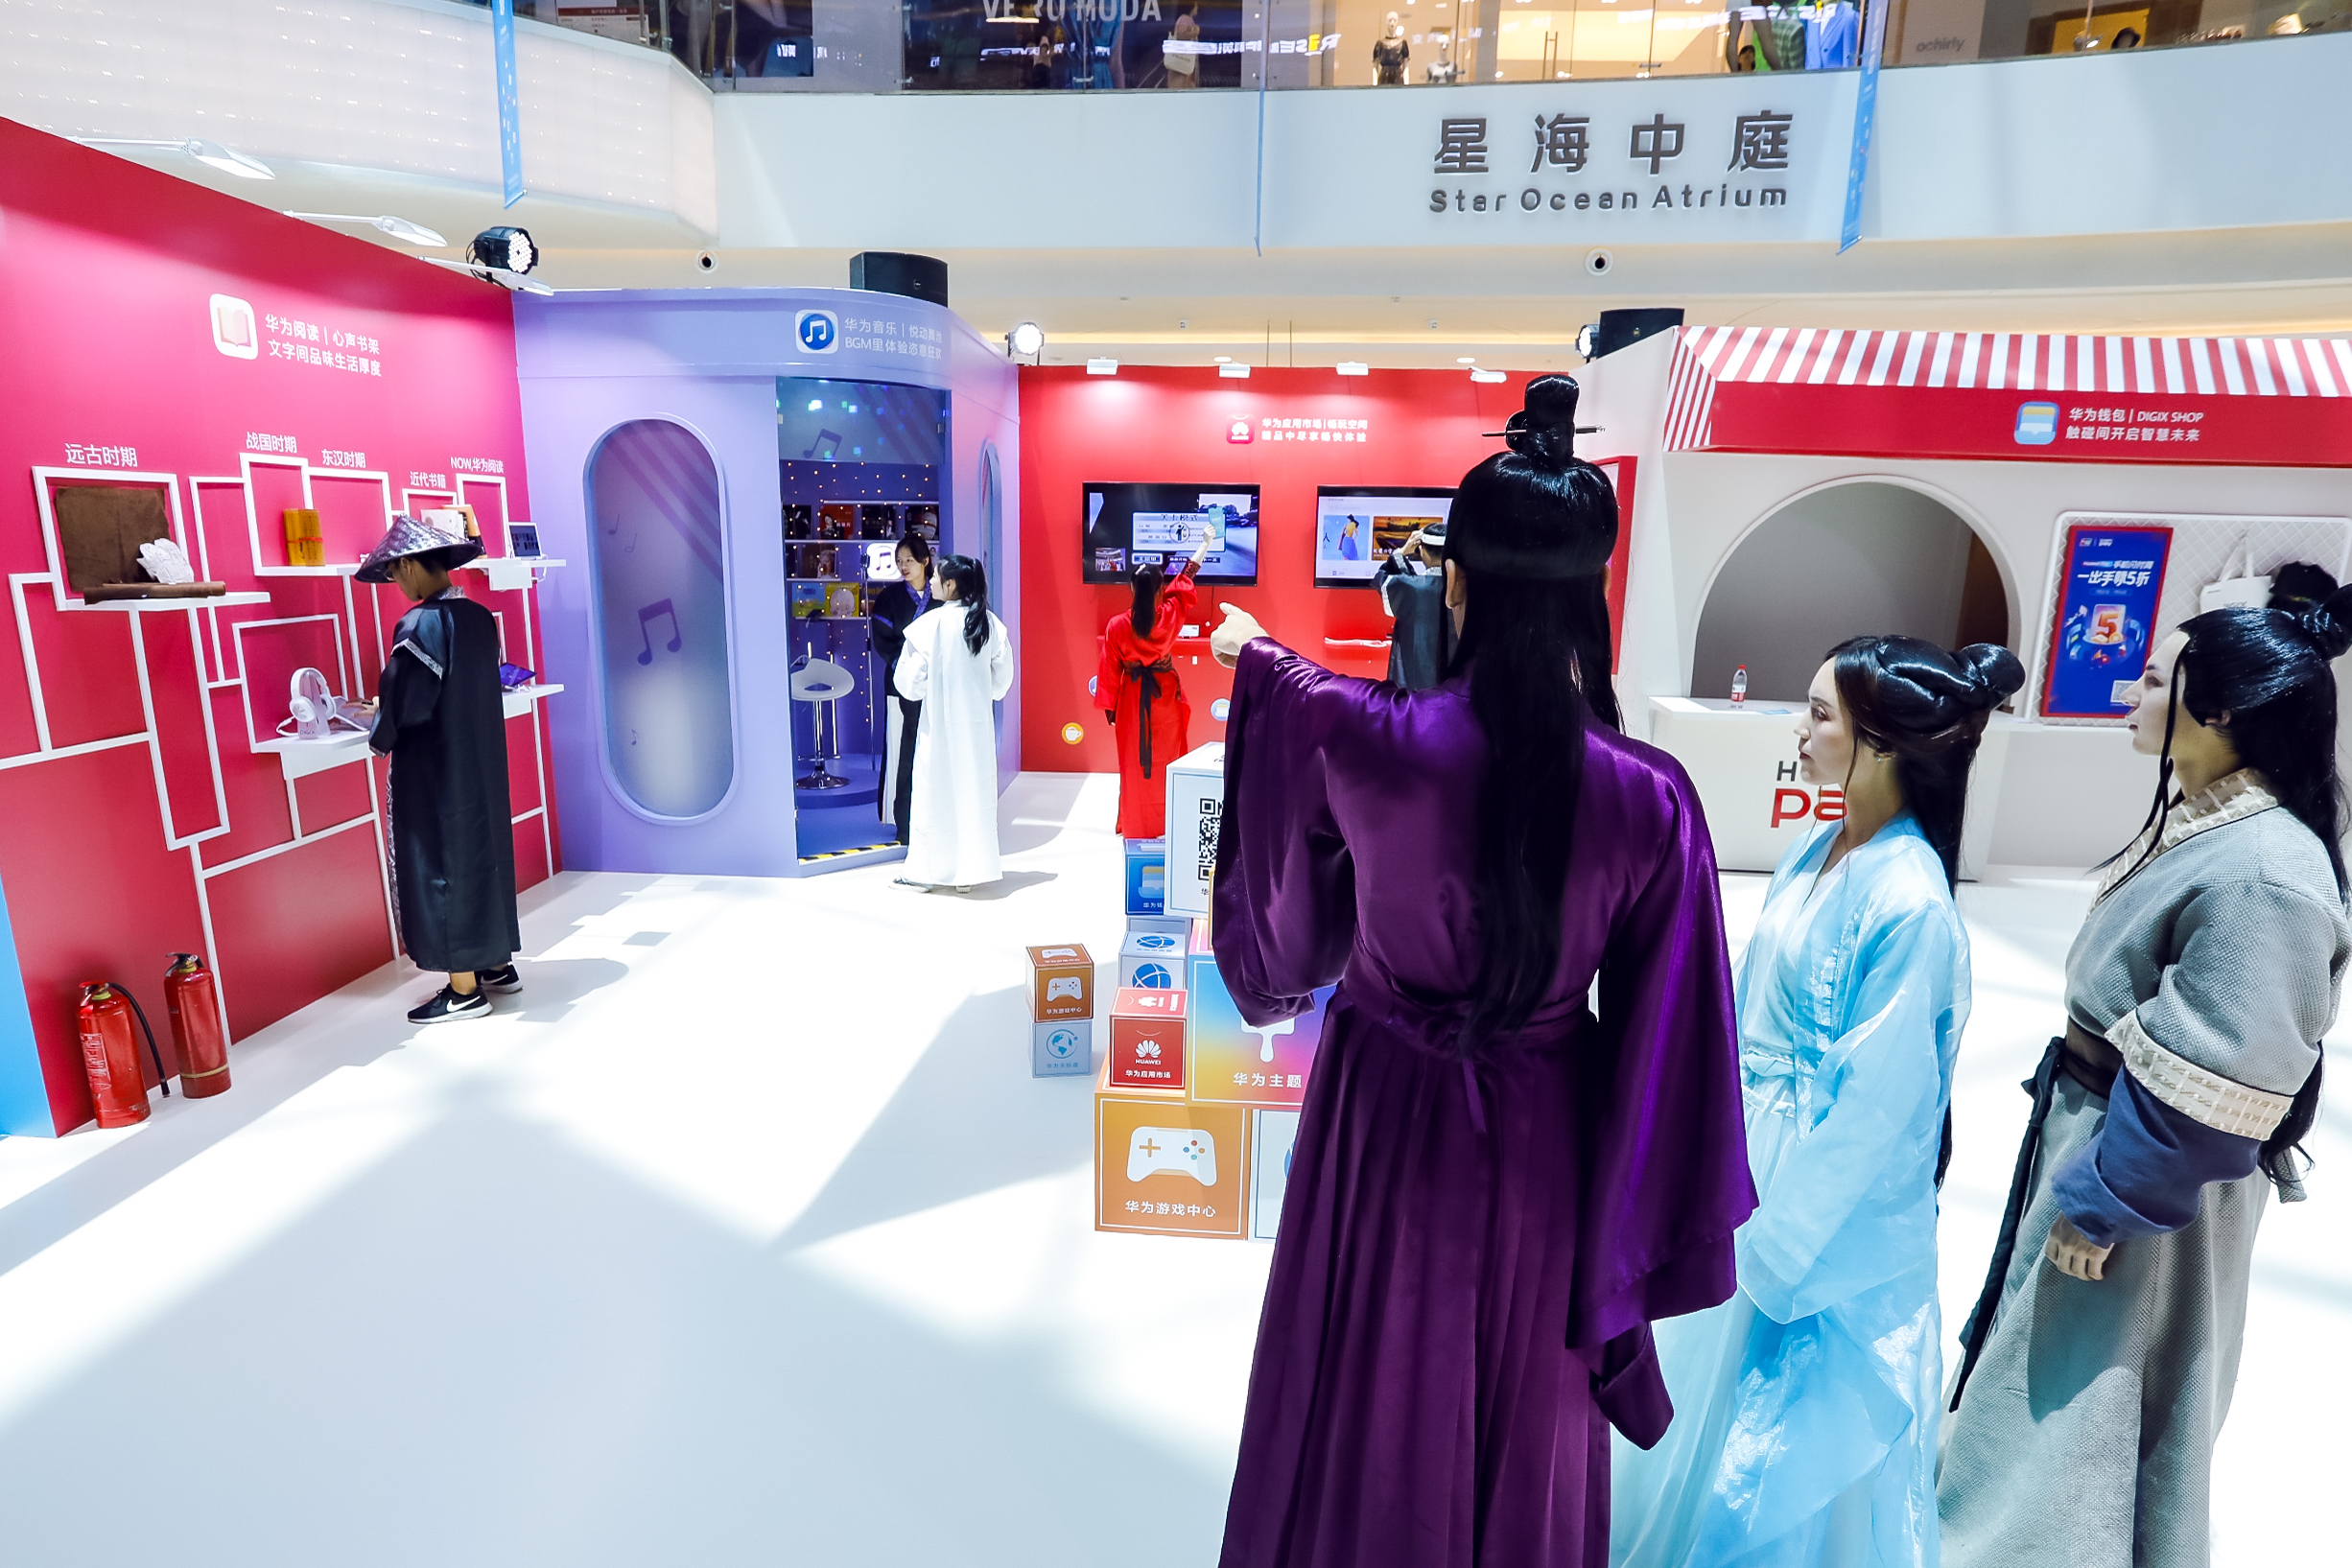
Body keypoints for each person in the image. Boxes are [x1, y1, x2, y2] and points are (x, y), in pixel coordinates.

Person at [1205, 377, 1755, 1568]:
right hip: (1549, 1136)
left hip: (1379, 1113)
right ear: (1590, 597)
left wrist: (1255, 657)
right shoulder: (1651, 798)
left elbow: (1287, 926)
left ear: (1453, 583)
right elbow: (1673, 1044)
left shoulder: (1366, 739)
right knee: (1527, 1397)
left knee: (1360, 1370)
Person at [1937, 567, 2352, 1568]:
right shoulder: (2226, 832)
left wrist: (2112, 1198)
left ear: (2219, 713)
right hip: (2111, 1141)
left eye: (2157, 680)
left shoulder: (2265, 872)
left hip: (2149, 1182)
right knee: (2060, 1379)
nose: (2134, 692)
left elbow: (2227, 1066)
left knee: (2086, 1396)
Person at [1612, 635, 2024, 1568]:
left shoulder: (1910, 901)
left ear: (1880, 742)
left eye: (1818, 714)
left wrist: (1780, 1241)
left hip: (1812, 1198)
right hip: (1750, 1159)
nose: (1797, 731)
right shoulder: (1818, 847)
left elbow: (1879, 1108)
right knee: (1709, 1413)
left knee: (1786, 1441)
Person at [352, 516, 522, 1025]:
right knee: (482, 855)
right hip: (480, 763)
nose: (396, 584)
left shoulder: (421, 624)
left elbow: (407, 701)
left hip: (437, 771)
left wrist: (378, 722)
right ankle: (496, 964)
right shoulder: (479, 618)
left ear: (409, 565)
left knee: (441, 866)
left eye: (394, 574)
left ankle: (463, 989)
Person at [892, 555, 1016, 892]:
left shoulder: (928, 626)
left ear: (950, 584)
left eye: (935, 576)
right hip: (976, 731)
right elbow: (1002, 681)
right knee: (973, 795)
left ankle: (925, 873)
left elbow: (909, 684)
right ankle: (969, 873)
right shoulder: (989, 623)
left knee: (933, 795)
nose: (931, 581)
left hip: (937, 729)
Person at [1097, 535, 1211, 839]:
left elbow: (1109, 669)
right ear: (1161, 590)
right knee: (1167, 761)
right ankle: (1166, 823)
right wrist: (1204, 545)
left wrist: (1111, 709)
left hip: (1132, 699)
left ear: (1131, 589)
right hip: (1166, 698)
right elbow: (1185, 580)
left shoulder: (1117, 625)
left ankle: (1134, 822)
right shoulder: (1170, 615)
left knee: (1133, 764)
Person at [867, 532, 935, 845]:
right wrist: (908, 666)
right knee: (901, 750)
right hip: (900, 683)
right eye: (899, 561)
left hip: (935, 685)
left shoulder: (940, 594)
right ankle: (903, 823)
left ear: (925, 561)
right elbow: (883, 641)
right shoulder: (889, 597)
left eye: (909, 560)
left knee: (933, 751)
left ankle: (933, 819)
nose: (903, 566)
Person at [1373, 519, 1454, 690]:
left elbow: (1381, 578)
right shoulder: (1462, 588)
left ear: (1421, 550)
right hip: (1453, 688)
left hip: (1412, 690)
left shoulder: (1411, 588)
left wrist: (1401, 552)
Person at [1164, 4, 1200, 86]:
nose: (1197, 7)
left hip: (1183, 62)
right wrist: (1196, 31)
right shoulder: (1185, 19)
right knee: (1181, 84)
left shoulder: (1187, 19)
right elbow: (1180, 35)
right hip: (1182, 62)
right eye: (1195, 5)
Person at [1373, 12, 1409, 83]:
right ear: (1386, 23)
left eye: (1394, 21)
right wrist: (1374, 84)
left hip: (1398, 78)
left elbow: (1406, 67)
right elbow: (1375, 67)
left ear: (1397, 22)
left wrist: (1406, 84)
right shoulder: (1380, 44)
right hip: (1384, 78)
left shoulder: (1402, 43)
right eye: (1390, 21)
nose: (1392, 24)